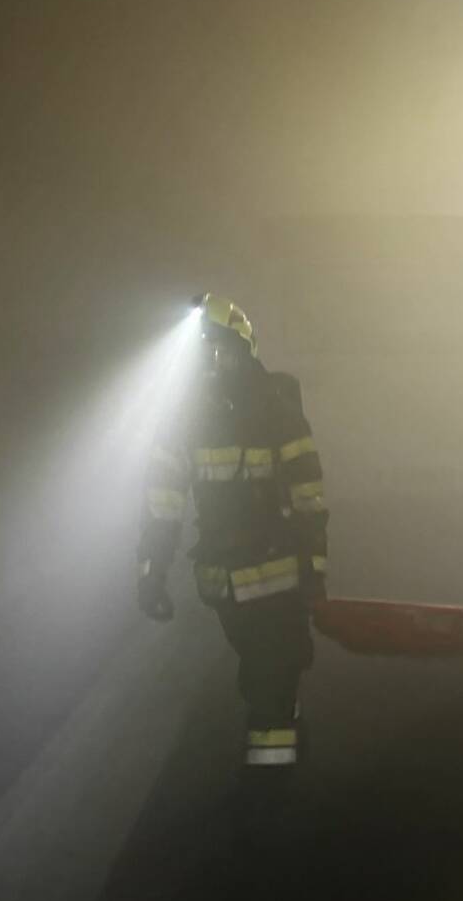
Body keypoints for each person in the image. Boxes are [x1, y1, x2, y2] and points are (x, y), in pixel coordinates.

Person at [137, 293, 329, 768]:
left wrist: (151, 574)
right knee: (272, 684)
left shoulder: (202, 416)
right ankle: (270, 791)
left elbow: (164, 505)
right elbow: (308, 495)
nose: (214, 362)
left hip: (231, 582)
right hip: (266, 578)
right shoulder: (273, 407)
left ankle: (280, 736)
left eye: (218, 350)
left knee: (270, 676)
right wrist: (314, 570)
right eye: (208, 352)